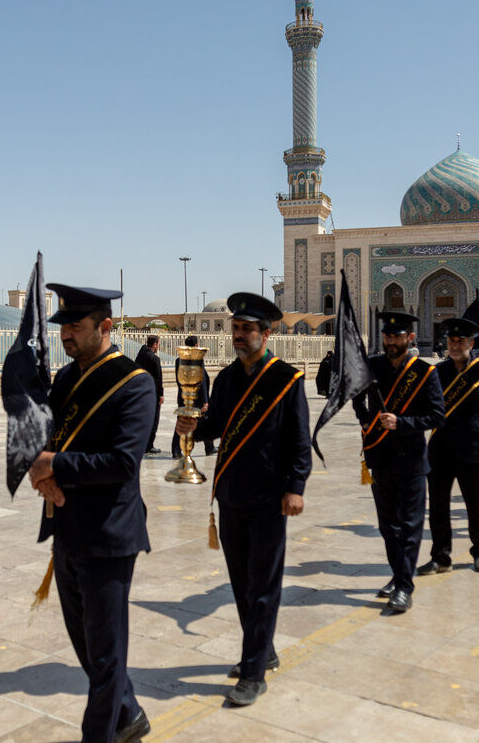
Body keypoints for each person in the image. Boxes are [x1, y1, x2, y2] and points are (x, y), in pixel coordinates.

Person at [27, 284, 155, 743]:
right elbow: (47, 439)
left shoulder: (135, 384)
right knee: (87, 647)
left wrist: (55, 466)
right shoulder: (64, 380)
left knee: (104, 655)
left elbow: (123, 463)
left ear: (106, 326)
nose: (66, 337)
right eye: (63, 328)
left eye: (75, 328)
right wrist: (38, 469)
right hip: (67, 530)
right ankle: (129, 713)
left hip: (109, 534)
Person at [177, 292, 310, 706]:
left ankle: (253, 671)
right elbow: (215, 425)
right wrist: (190, 428)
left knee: (264, 584)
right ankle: (263, 650)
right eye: (235, 328)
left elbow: (299, 441)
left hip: (271, 497)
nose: (237, 335)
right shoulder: (228, 378)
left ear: (265, 334)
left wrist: (296, 487)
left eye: (246, 329)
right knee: (241, 583)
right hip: (231, 493)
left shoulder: (286, 379)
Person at [352, 311, 445, 613]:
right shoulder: (374, 366)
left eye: (397, 336)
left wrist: (401, 422)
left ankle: (405, 585)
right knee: (387, 525)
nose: (391, 341)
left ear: (410, 338)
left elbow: (436, 416)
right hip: (379, 457)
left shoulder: (424, 373)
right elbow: (356, 395)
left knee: (409, 524)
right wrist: (365, 420)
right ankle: (398, 574)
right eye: (387, 336)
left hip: (411, 460)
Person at [419, 316, 479, 576]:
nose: (455, 345)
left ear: (471, 342)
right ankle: (440, 557)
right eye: (451, 341)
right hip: (441, 450)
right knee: (439, 507)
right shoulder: (438, 372)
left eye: (460, 341)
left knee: (477, 505)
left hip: (475, 451)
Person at [169, 335, 215, 456]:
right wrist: (205, 400)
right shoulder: (197, 359)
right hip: (197, 398)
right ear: (195, 345)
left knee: (182, 422)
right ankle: (209, 448)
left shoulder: (179, 360)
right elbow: (202, 380)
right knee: (205, 421)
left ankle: (176, 450)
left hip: (184, 396)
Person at [135, 335, 164, 454]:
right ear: (155, 344)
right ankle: (149, 445)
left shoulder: (140, 355)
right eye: (158, 344)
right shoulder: (154, 359)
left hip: (140, 392)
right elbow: (158, 378)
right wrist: (161, 394)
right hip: (153, 394)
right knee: (154, 420)